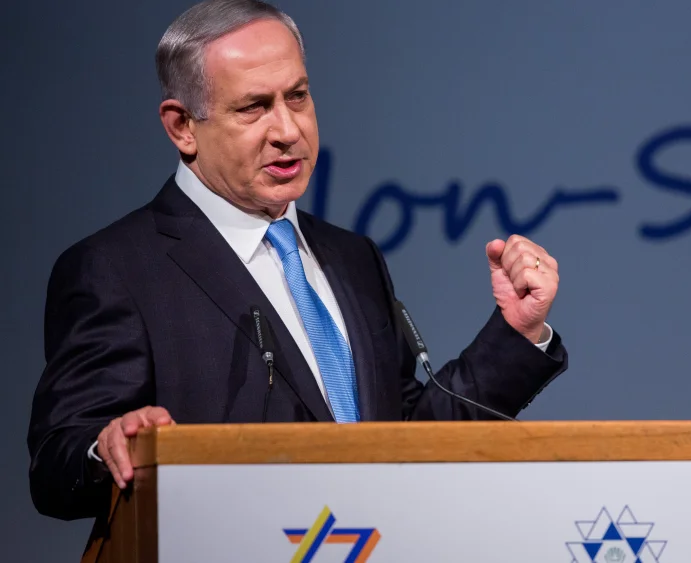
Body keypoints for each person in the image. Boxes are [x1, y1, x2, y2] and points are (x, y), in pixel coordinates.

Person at [27, 0, 567, 521]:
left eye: (299, 96)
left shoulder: (352, 257)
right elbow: (57, 464)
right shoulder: (116, 269)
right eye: (254, 107)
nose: (288, 131)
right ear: (182, 127)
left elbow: (406, 438)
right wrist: (108, 449)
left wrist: (515, 332)